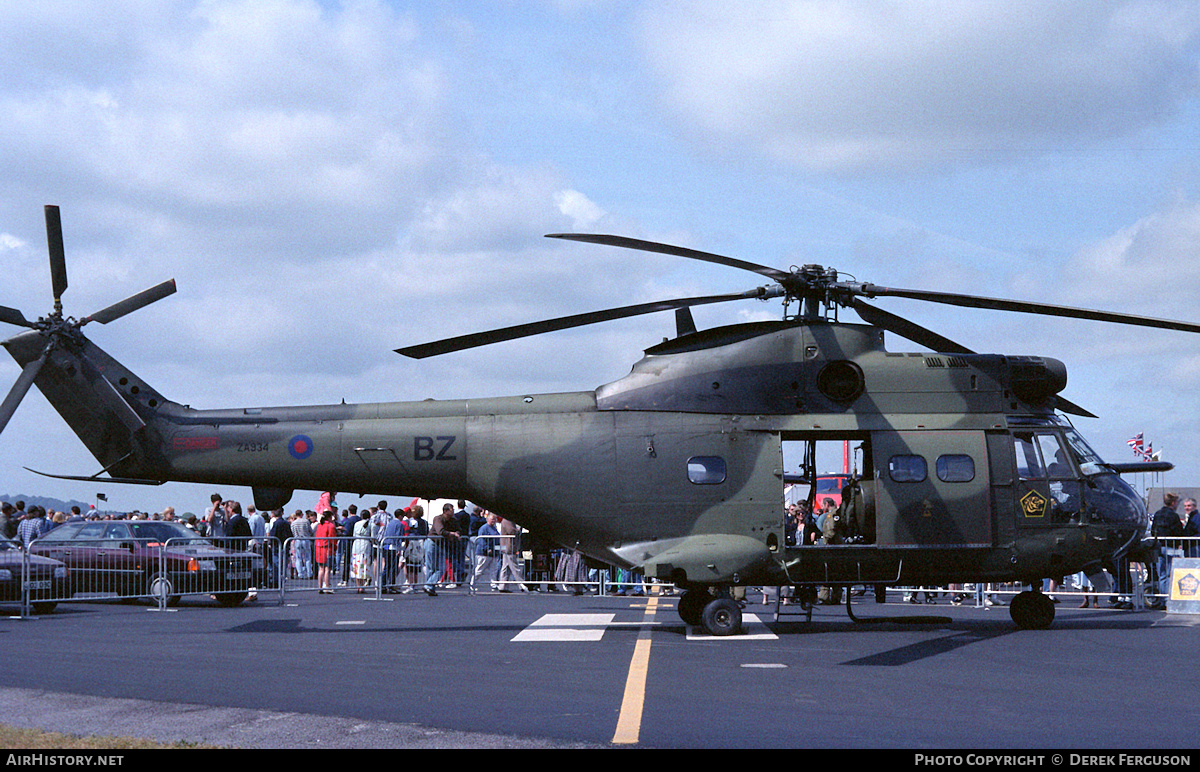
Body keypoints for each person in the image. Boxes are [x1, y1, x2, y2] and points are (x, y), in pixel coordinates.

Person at [472, 512, 501, 592]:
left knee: (493, 569)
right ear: (487, 519)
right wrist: (487, 548)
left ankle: (494, 584)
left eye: (495, 519)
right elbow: (481, 540)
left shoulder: (494, 528)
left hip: (494, 553)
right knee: (480, 569)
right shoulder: (483, 528)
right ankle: (472, 583)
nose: (494, 521)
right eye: (492, 519)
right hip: (483, 553)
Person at [314, 511, 338, 594]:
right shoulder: (330, 526)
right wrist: (335, 548)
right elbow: (332, 538)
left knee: (321, 569)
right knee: (327, 569)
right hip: (328, 549)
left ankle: (320, 587)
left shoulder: (319, 525)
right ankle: (327, 586)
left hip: (319, 548)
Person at [497, 516, 523, 592]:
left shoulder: (505, 520)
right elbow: (511, 531)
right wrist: (517, 530)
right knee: (514, 567)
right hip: (509, 547)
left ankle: (502, 586)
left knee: (505, 567)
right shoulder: (507, 520)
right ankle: (522, 585)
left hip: (506, 547)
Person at [350, 513, 374, 592]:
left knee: (356, 566)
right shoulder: (370, 524)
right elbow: (372, 536)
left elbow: (354, 534)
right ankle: (362, 586)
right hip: (365, 545)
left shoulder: (357, 524)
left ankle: (358, 586)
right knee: (364, 566)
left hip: (356, 544)